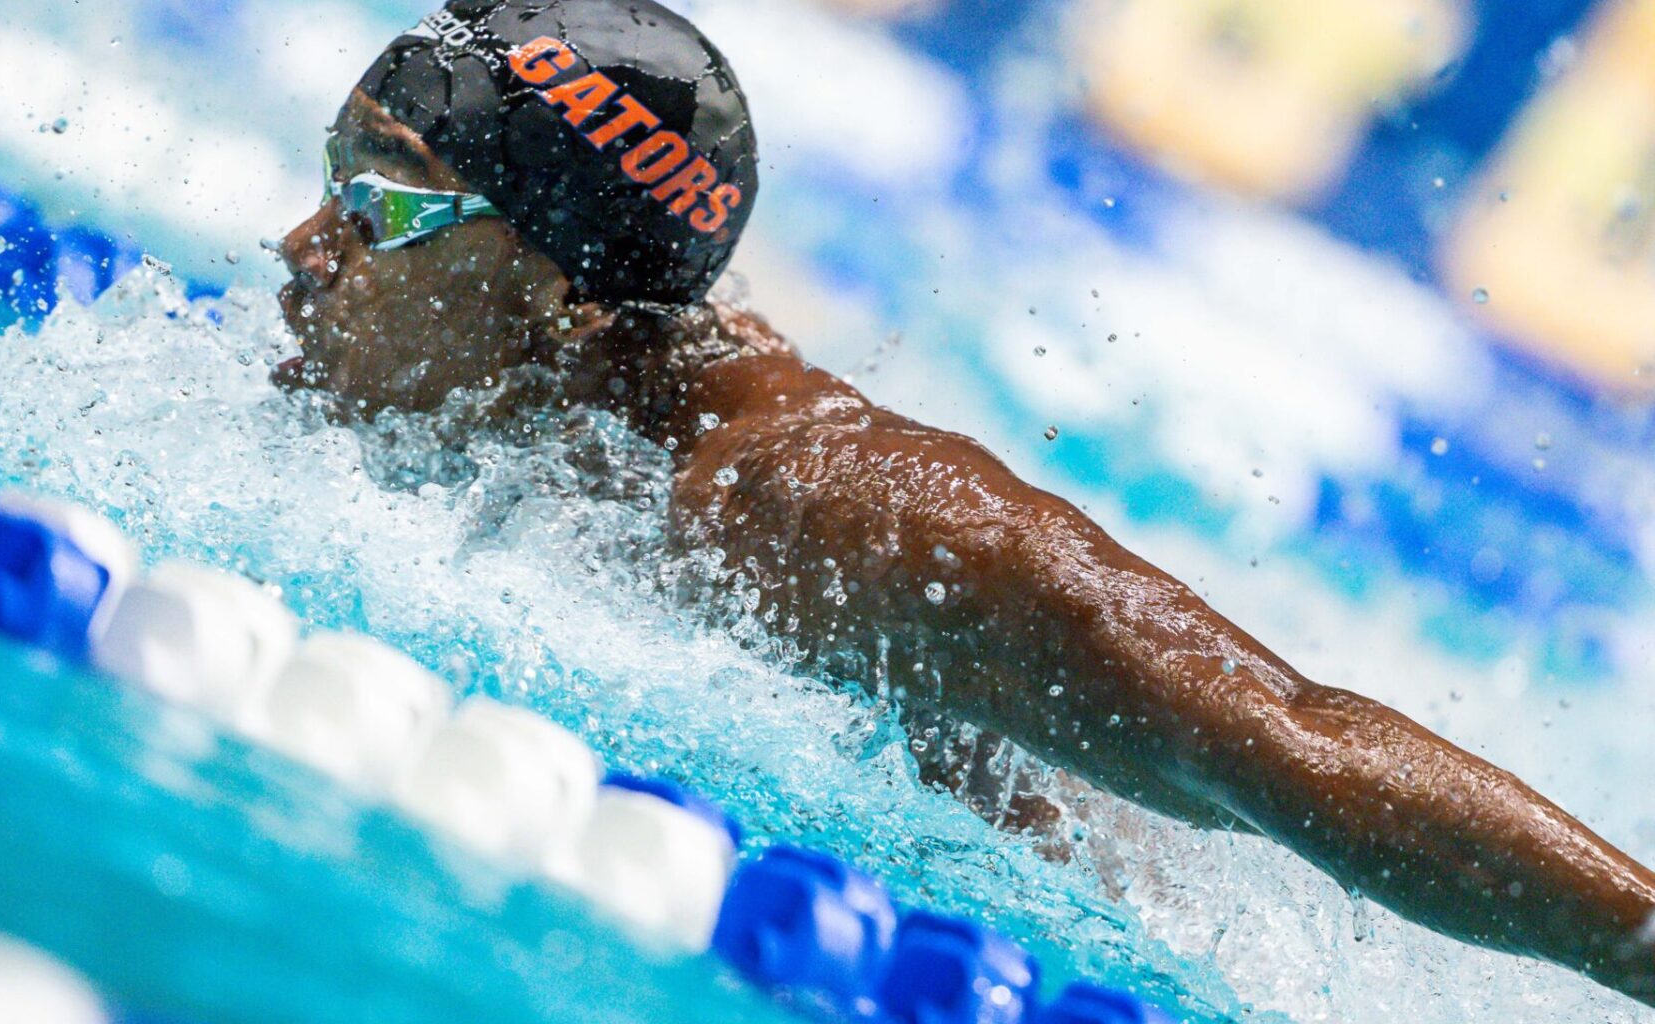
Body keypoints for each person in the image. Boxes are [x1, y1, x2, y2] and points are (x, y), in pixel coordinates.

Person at [274, 0, 1655, 1006]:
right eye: (338, 173)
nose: (306, 242)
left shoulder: (841, 514)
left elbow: (1292, 741)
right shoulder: (509, 390)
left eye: (392, 203)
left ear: (572, 291)